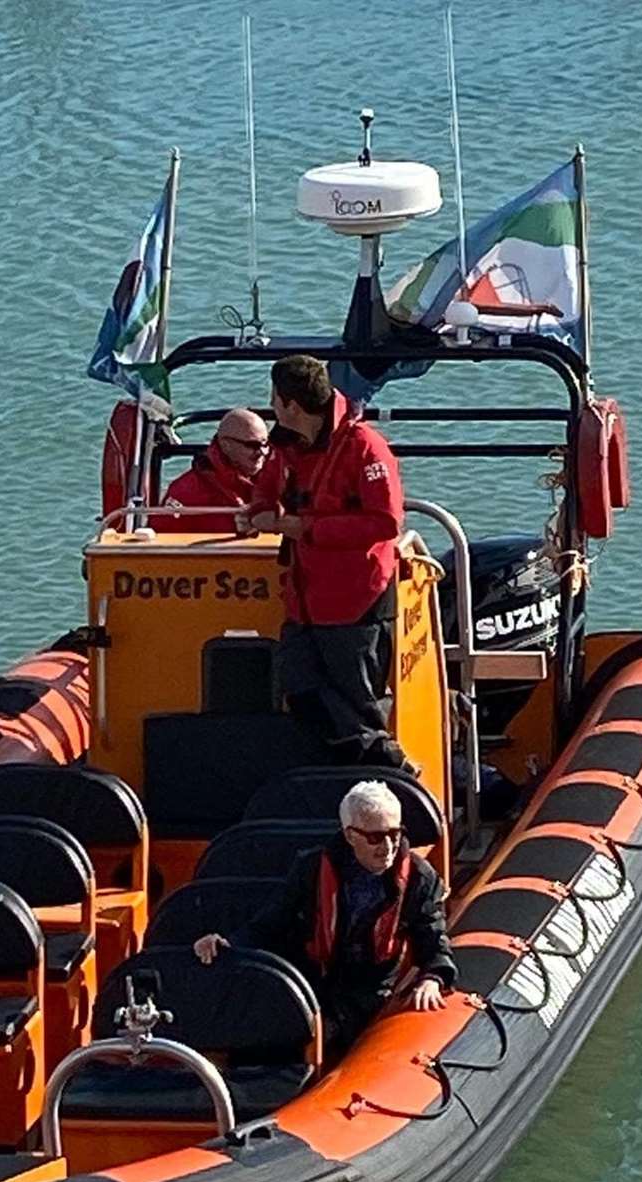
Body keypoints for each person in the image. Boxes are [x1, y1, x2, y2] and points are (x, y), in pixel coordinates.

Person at [193, 781, 456, 1057]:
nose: (389, 847)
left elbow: (434, 937)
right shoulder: (311, 868)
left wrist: (433, 977)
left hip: (371, 992)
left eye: (395, 834)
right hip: (313, 981)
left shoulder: (419, 878)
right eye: (376, 837)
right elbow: (271, 922)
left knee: (320, 1033)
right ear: (350, 835)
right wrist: (229, 943)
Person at [244, 355, 414, 773]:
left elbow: (386, 521)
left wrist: (307, 528)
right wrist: (260, 511)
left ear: (291, 405)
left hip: (356, 599)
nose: (271, 407)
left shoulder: (364, 447)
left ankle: (390, 775)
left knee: (359, 698)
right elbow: (267, 489)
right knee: (298, 685)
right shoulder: (286, 444)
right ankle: (369, 765)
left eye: (274, 399)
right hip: (306, 597)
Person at [153, 408, 270, 533]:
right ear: (226, 445)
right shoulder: (186, 492)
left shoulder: (281, 480)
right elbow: (161, 543)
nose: (262, 452)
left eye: (265, 444)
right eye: (252, 445)